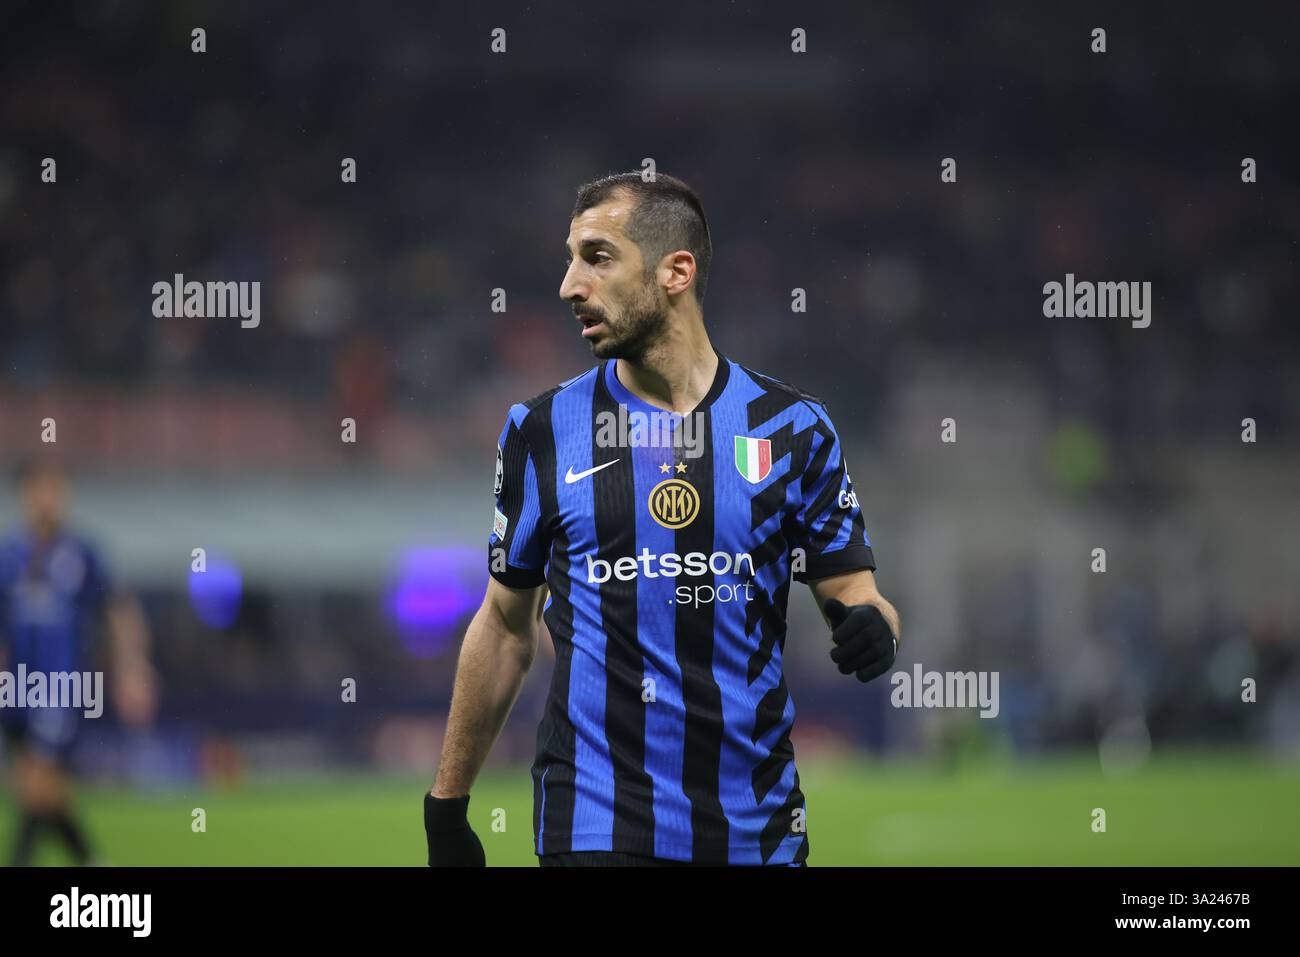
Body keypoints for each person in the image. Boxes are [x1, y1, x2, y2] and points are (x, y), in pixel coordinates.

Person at [424, 173, 901, 866]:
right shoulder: (542, 430)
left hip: (758, 830)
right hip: (597, 824)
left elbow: (856, 594)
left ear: (676, 271)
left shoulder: (795, 428)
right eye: (570, 257)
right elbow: (504, 624)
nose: (569, 284)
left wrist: (874, 630)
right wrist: (447, 803)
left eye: (597, 256)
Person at [0, 458, 157, 866]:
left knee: (38, 784)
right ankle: (90, 859)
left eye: (55, 489)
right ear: (25, 496)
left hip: (60, 686)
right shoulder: (9, 555)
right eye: (40, 489)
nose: (48, 499)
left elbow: (119, 608)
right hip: (14, 688)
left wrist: (132, 668)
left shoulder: (82, 553)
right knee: (39, 790)